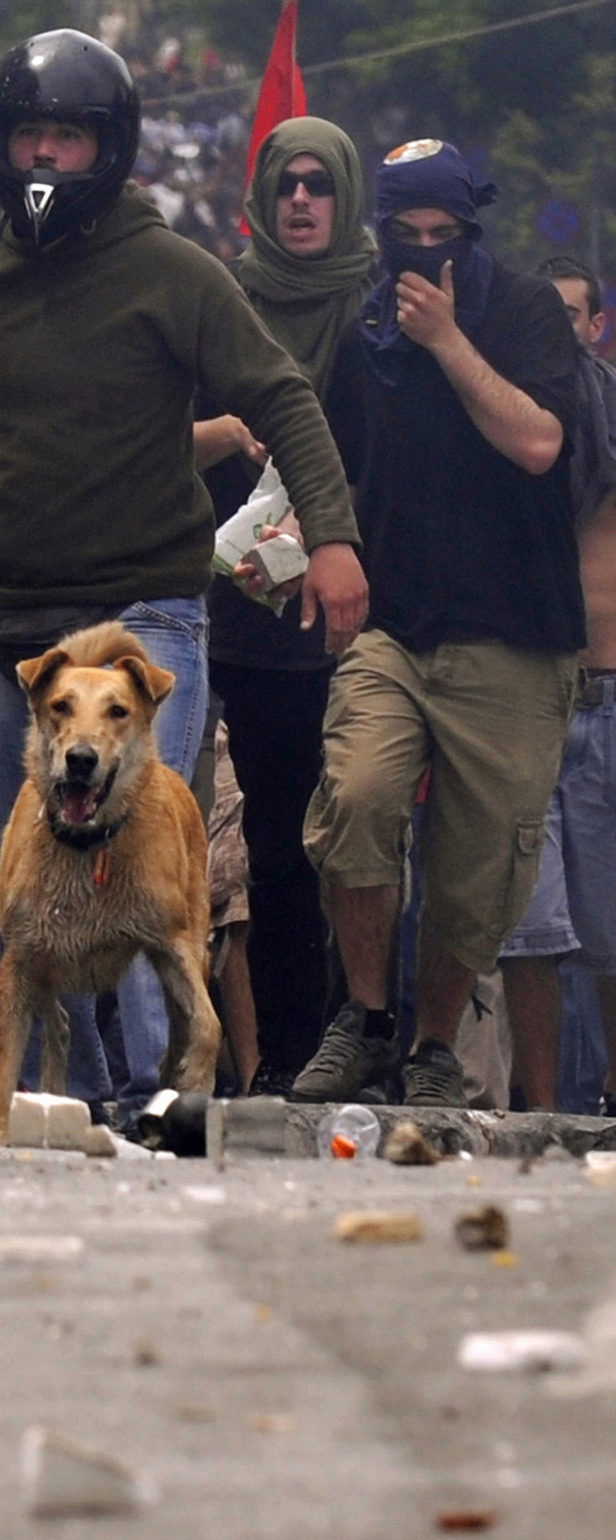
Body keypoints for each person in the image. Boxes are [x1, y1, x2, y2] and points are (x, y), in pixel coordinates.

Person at [0, 30, 364, 1120]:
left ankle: (163, 1097)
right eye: (26, 134)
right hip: (5, 633)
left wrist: (329, 539)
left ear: (110, 147)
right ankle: (73, 1104)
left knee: (146, 879)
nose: (44, 155)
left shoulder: (172, 273)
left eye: (67, 135)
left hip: (143, 624)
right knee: (25, 900)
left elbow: (280, 397)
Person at [291, 141, 583, 1110]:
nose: (423, 254)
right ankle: (365, 1020)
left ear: (471, 229)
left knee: (476, 866)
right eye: (404, 238)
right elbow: (327, 464)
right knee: (358, 795)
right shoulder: (361, 328)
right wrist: (306, 541)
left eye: (442, 237)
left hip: (511, 631)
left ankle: (430, 1047)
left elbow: (538, 443)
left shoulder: (526, 314)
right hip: (391, 624)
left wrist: (448, 340)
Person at [195, 117, 378, 1096]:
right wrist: (226, 434)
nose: (301, 200)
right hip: (244, 618)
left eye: (317, 184)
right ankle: (280, 1062)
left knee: (355, 839)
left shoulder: (381, 311)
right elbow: (154, 426)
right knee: (269, 847)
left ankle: (368, 1040)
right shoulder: (219, 304)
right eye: (285, 186)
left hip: (362, 615)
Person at [488, 257, 616, 1111]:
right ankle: (538, 1109)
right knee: (527, 930)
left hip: (604, 695)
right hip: (521, 695)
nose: (563, 329)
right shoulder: (499, 425)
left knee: (609, 934)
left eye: (575, 314)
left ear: (597, 325)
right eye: (548, 315)